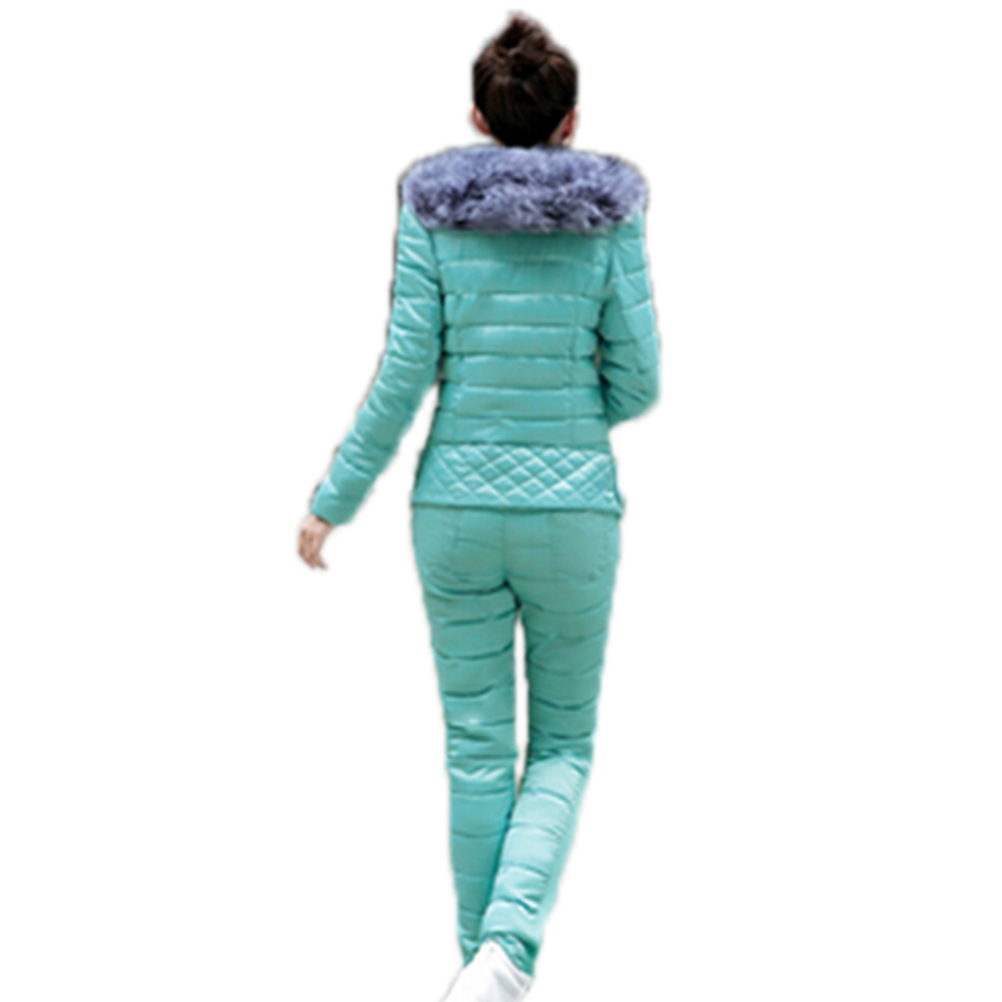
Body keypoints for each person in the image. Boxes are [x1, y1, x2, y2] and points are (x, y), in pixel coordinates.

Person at [297, 13, 660, 1001]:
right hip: (576, 515)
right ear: (571, 121)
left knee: (476, 751)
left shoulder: (432, 207)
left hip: (452, 510)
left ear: (477, 117)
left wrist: (333, 500)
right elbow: (640, 379)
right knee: (564, 746)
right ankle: (503, 955)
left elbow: (403, 373)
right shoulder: (612, 215)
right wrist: (571, 412)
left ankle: (479, 969)